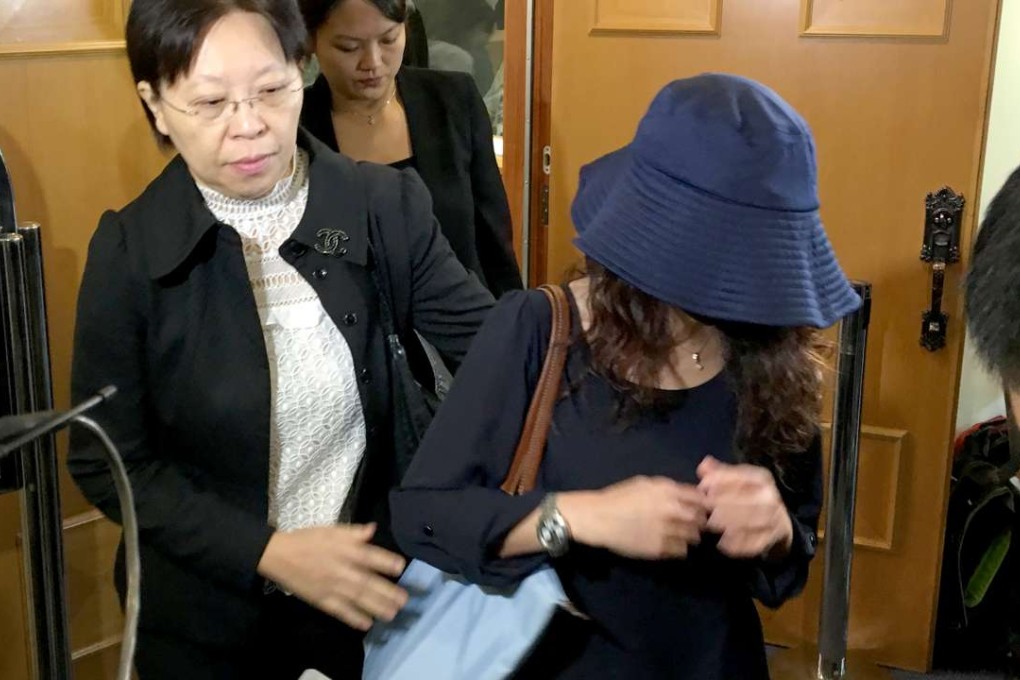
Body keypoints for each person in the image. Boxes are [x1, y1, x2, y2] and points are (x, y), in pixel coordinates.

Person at [66, 1, 494, 678]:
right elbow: (107, 462)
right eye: (209, 102)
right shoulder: (132, 251)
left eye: (271, 89)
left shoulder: (383, 207)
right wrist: (269, 551)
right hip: (201, 623)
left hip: (361, 601)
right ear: (154, 103)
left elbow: (492, 349)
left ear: (301, 70)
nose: (250, 127)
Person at [391, 73, 862, 678]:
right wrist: (578, 517)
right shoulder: (541, 328)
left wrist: (774, 531)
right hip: (558, 661)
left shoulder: (771, 357)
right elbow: (424, 516)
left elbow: (787, 566)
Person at [299, 0, 523, 297]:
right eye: (349, 47)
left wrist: (512, 325)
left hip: (462, 319)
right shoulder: (297, 129)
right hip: (352, 329)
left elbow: (494, 240)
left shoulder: (453, 100)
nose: (373, 63)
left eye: (389, 40)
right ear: (312, 41)